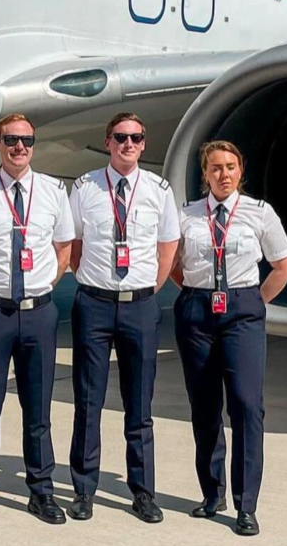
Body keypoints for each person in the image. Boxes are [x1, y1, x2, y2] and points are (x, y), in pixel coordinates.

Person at [0, 113, 74, 526]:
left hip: (39, 313)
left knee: (37, 409)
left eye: (26, 140)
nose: (19, 147)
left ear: (33, 144)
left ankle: (41, 491)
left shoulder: (54, 191)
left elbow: (63, 248)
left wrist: (43, 286)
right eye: (11, 140)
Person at [171, 141, 287, 537]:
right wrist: (194, 294)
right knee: (204, 406)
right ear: (204, 174)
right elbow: (173, 265)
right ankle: (212, 493)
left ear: (241, 171)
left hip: (241, 311)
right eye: (215, 168)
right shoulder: (187, 214)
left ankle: (246, 504)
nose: (223, 174)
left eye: (230, 167)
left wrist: (253, 302)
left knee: (245, 405)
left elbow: (284, 266)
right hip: (197, 311)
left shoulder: (260, 213)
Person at [67, 112, 180, 523]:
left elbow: (168, 246)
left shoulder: (158, 190)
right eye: (120, 137)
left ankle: (143, 492)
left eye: (136, 137)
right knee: (88, 401)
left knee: (139, 403)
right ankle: (83, 489)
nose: (128, 144)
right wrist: (91, 279)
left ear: (144, 143)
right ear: (108, 141)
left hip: (139, 305)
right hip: (94, 303)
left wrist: (147, 287)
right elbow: (73, 243)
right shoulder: (85, 187)